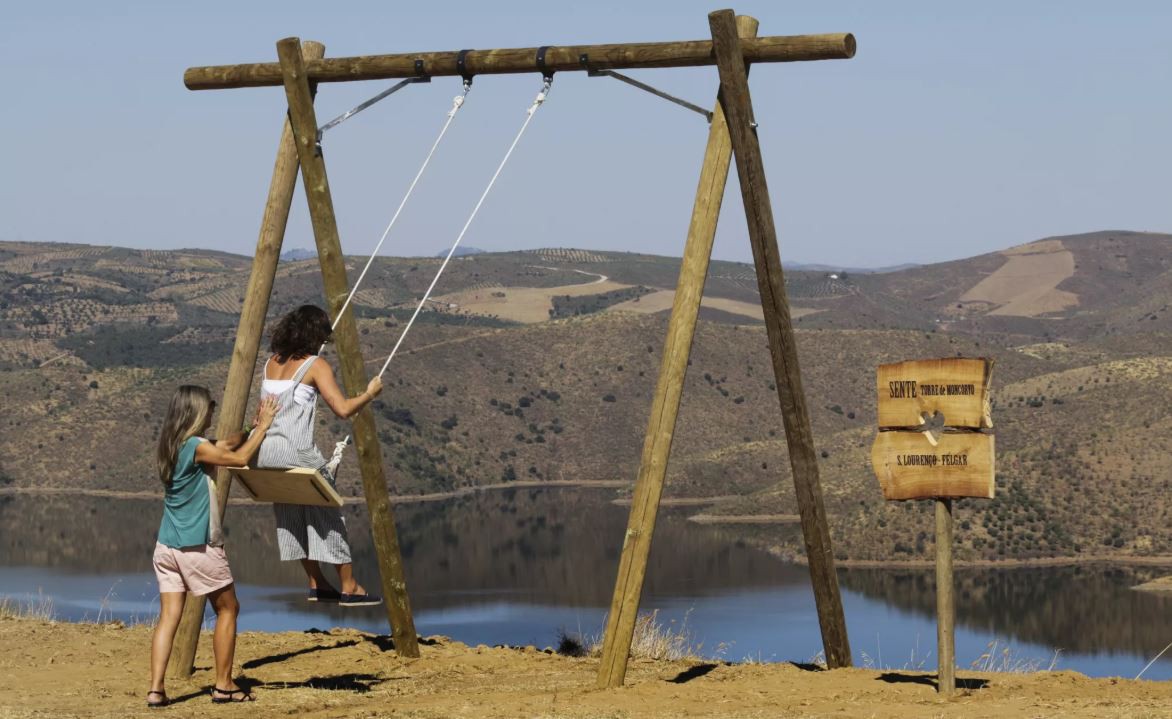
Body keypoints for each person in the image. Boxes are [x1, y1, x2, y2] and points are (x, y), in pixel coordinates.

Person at [147, 385, 278, 708]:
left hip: (167, 547)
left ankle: (156, 690)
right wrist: (264, 428)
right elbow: (238, 457)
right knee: (228, 608)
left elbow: (226, 444)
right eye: (209, 407)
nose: (212, 412)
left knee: (168, 618)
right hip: (197, 547)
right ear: (195, 412)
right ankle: (224, 685)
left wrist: (249, 426)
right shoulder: (195, 446)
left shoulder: (173, 444)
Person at [258, 304, 383, 607]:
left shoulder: (270, 363)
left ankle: (316, 582)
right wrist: (369, 394)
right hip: (297, 452)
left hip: (266, 453)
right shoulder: (316, 365)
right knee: (329, 515)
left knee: (290, 518)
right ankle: (349, 586)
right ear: (316, 334)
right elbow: (341, 410)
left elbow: (259, 415)